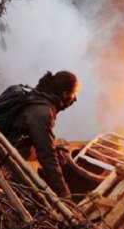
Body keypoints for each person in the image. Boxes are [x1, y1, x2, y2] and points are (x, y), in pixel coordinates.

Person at [6, 70, 81, 198]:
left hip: (7, 146)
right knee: (31, 195)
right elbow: (47, 157)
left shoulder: (37, 96)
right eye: (73, 94)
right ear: (64, 94)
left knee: (58, 153)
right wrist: (64, 195)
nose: (75, 99)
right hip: (4, 157)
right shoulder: (42, 113)